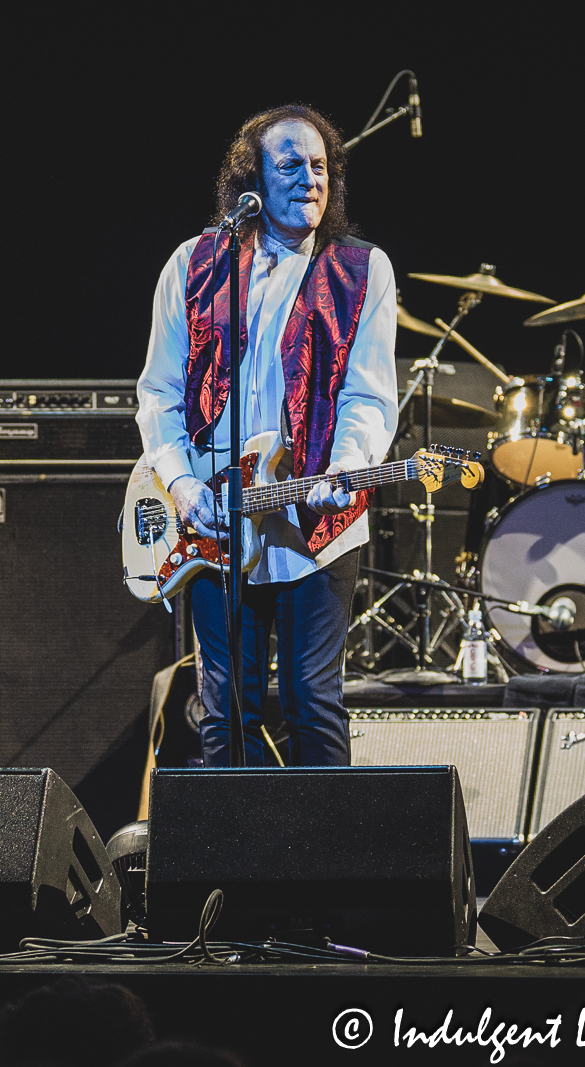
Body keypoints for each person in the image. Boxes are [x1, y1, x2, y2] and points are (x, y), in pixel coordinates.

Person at [135, 105, 398, 767]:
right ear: (251, 180)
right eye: (291, 165)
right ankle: (240, 864)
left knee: (313, 698)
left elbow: (368, 395)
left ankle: (327, 867)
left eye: (321, 166)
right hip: (214, 521)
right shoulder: (194, 265)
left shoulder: (363, 271)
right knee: (227, 708)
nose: (311, 179)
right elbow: (159, 393)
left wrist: (348, 466)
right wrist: (183, 483)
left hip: (316, 526)